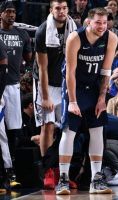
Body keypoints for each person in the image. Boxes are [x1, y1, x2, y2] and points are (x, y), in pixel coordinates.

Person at [56, 7, 118, 195]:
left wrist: (102, 98)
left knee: (97, 130)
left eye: (105, 22)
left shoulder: (111, 38)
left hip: (95, 86)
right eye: (98, 22)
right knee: (70, 131)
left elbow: (106, 71)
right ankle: (63, 179)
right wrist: (73, 101)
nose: (102, 26)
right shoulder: (75, 38)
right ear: (89, 22)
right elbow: (70, 73)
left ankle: (96, 180)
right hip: (75, 86)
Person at [34, 0, 77, 189]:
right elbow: (42, 69)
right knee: (48, 126)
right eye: (57, 8)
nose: (61, 11)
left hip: (64, 82)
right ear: (51, 10)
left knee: (67, 129)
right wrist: (45, 97)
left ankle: (63, 172)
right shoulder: (43, 31)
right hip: (46, 84)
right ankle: (48, 170)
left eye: (64, 8)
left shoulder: (74, 28)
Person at [0, 1, 32, 189]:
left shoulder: (22, 34)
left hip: (12, 85)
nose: (12, 15)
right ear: (1, 14)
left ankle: (11, 170)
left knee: (13, 130)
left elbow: (29, 58)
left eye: (13, 12)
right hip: (1, 85)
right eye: (8, 12)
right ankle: (6, 171)